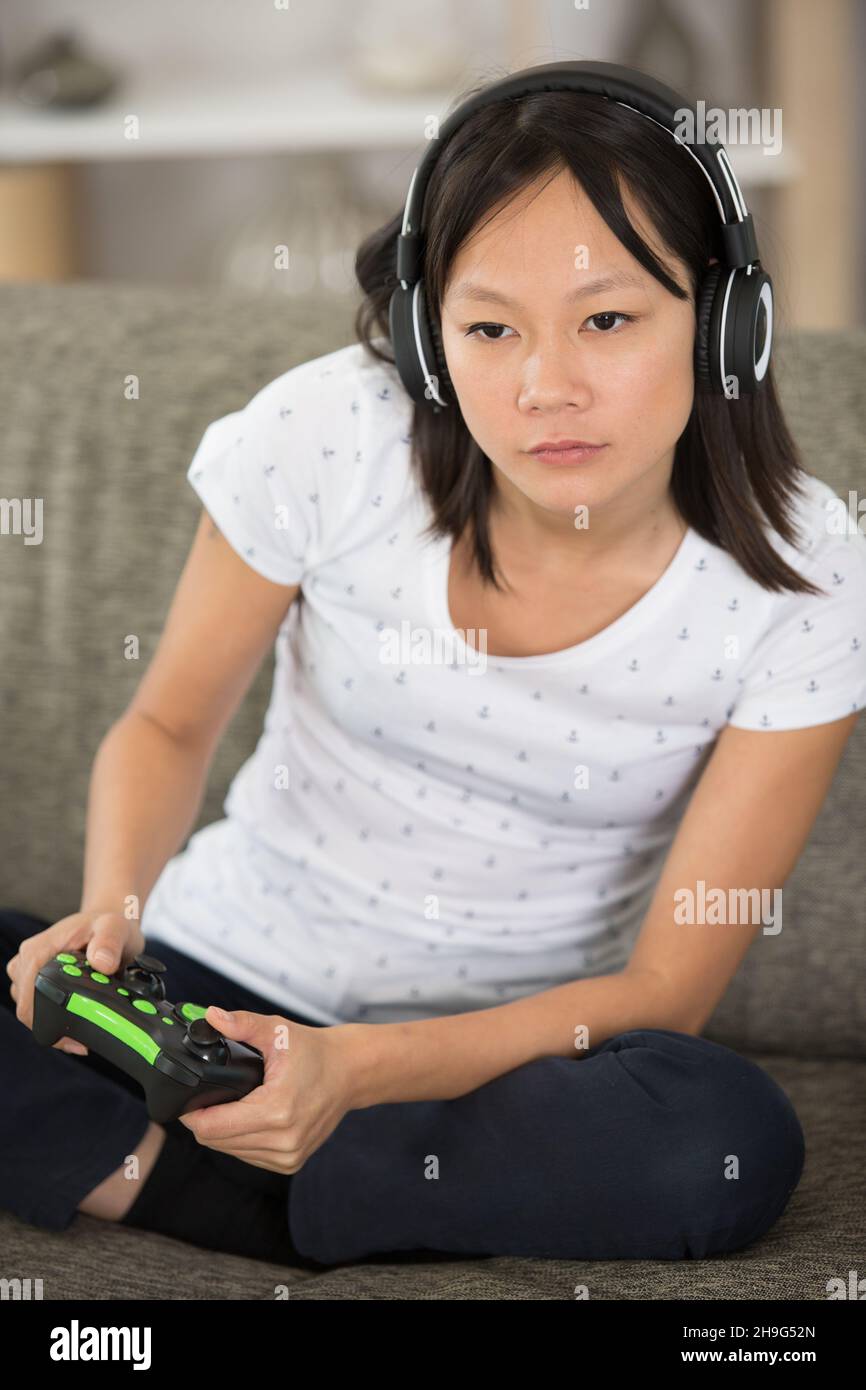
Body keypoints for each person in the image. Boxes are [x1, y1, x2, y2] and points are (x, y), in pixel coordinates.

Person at [3, 70, 864, 1269]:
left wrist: (351, 1073)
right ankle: (247, 1166)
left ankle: (169, 1175)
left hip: (496, 1065)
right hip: (215, 986)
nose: (541, 387)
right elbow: (169, 721)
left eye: (606, 320)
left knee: (716, 1138)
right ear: (427, 337)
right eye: (488, 326)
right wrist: (111, 912)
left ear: (724, 325)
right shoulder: (332, 438)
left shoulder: (809, 576)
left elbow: (668, 987)